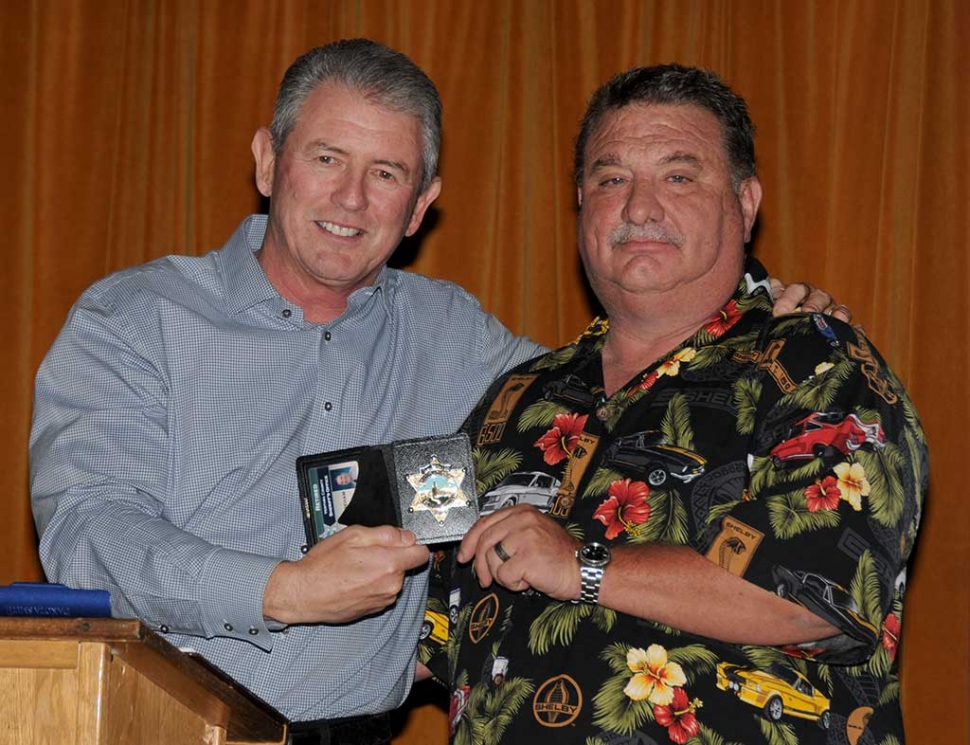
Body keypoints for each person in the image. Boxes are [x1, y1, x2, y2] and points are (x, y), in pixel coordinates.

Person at [30, 39, 843, 744]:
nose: (352, 199)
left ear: (421, 205)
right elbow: (87, 529)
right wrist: (281, 589)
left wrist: (760, 309)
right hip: (142, 717)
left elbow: (632, 373)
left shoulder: (460, 338)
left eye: (386, 173)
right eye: (326, 159)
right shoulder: (136, 318)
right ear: (268, 161)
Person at [419, 64, 926, 745]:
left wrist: (582, 565)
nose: (639, 208)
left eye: (679, 176)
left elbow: (817, 595)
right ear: (580, 201)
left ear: (745, 203)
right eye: (611, 178)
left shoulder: (817, 363)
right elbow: (421, 631)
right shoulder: (515, 397)